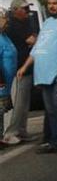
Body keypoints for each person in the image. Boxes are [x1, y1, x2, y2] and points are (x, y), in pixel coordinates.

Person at [17, 0, 57, 154]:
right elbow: (38, 48)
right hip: (43, 74)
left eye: (55, 3)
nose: (51, 6)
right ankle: (55, 140)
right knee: (51, 110)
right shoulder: (47, 23)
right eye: (49, 3)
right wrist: (24, 67)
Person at [3, 0, 37, 144]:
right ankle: (10, 132)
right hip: (17, 69)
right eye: (25, 9)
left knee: (24, 103)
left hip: (26, 68)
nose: (28, 12)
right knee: (16, 103)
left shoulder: (26, 22)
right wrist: (34, 38)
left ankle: (21, 130)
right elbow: (32, 40)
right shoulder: (13, 25)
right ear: (16, 10)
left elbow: (35, 37)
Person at [0, 10, 18, 148]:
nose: (7, 22)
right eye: (5, 19)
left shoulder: (5, 35)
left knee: (1, 112)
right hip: (1, 82)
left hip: (6, 84)